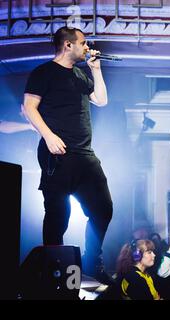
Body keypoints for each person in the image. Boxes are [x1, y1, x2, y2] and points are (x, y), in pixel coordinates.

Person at [22, 26, 112, 282]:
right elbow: (29, 107)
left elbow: (102, 100)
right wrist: (48, 136)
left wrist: (96, 69)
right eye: (83, 43)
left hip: (85, 154)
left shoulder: (81, 74)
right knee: (57, 215)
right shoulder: (44, 72)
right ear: (67, 45)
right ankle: (54, 271)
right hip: (57, 154)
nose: (87, 47)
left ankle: (93, 260)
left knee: (103, 208)